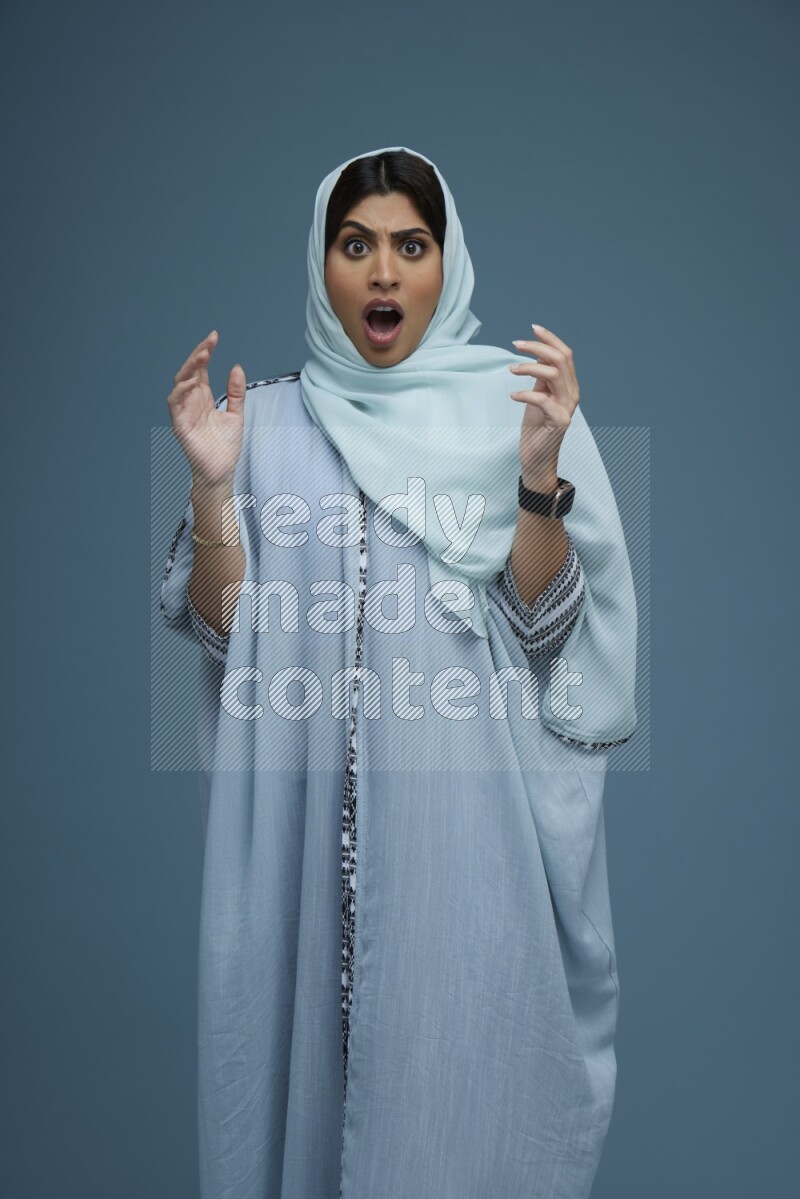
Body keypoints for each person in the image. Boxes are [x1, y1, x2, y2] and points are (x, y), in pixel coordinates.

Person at [160, 146, 637, 1199]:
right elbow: (227, 638)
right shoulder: (265, 424)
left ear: (444, 264)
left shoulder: (511, 417)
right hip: (297, 851)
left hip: (465, 860)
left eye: (409, 246)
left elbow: (548, 628)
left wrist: (536, 475)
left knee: (453, 1111)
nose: (383, 272)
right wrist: (211, 489)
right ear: (323, 266)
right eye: (356, 244)